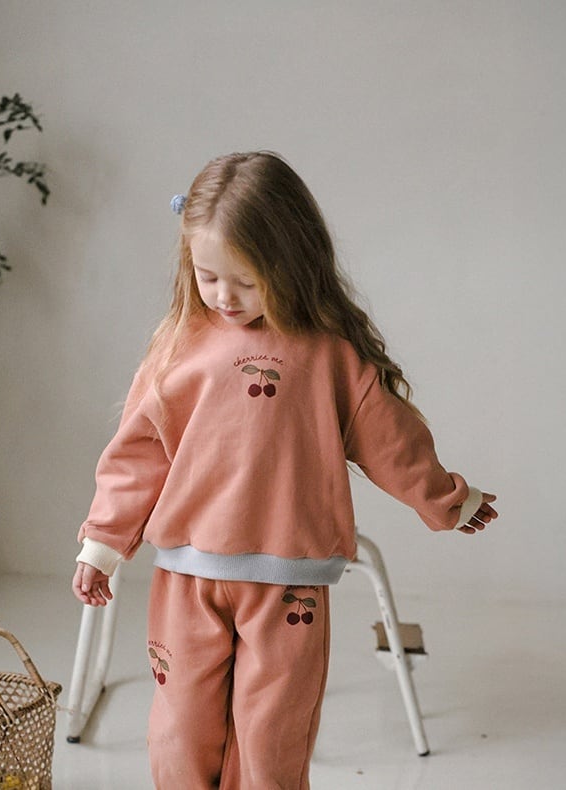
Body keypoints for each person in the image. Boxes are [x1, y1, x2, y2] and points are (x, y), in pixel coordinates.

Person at [72, 151, 498, 789]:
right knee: (179, 733)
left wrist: (446, 499)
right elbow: (138, 453)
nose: (224, 297)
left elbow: (392, 442)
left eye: (245, 281)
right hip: (187, 577)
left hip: (289, 584)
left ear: (289, 264)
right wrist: (104, 542)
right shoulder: (180, 347)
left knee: (272, 740)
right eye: (208, 277)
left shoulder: (328, 356)